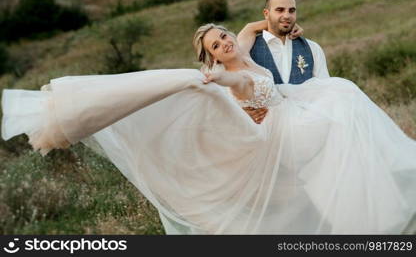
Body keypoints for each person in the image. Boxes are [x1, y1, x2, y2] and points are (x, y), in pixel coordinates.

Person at [2, 21, 416, 234]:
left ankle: (372, 189)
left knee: (343, 94)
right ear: (211, 57)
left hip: (292, 110)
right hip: (284, 130)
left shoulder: (243, 47)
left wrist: (279, 27)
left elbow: (253, 28)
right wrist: (216, 77)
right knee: (342, 104)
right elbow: (236, 82)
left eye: (223, 36)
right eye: (217, 44)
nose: (226, 42)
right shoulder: (227, 74)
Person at [245, 0, 330, 124]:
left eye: (291, 10)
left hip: (308, 130)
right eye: (280, 10)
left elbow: (325, 94)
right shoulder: (249, 49)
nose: (287, 15)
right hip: (266, 133)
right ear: (266, 14)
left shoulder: (312, 48)